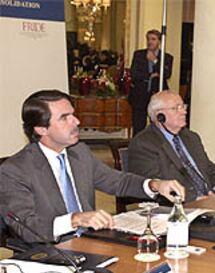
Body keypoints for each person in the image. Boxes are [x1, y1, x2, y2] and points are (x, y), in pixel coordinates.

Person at [0, 90, 184, 243]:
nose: (76, 121)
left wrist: (155, 185)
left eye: (73, 114)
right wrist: (75, 219)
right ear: (41, 129)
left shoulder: (79, 152)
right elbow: (25, 226)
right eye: (65, 118)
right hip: (51, 252)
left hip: (91, 240)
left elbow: (118, 181)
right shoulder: (15, 170)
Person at [128, 91, 215, 202]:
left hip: (211, 201)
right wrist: (197, 199)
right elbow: (158, 185)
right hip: (178, 206)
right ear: (159, 116)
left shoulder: (191, 137)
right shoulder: (144, 143)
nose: (183, 112)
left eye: (183, 106)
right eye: (175, 108)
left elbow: (209, 169)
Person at [128, 29, 173, 136]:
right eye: (148, 39)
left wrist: (155, 61)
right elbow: (134, 74)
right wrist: (151, 75)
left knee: (158, 126)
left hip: (157, 95)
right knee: (138, 126)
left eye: (153, 39)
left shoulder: (166, 57)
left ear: (159, 41)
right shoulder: (138, 55)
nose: (150, 42)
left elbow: (166, 74)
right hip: (140, 95)